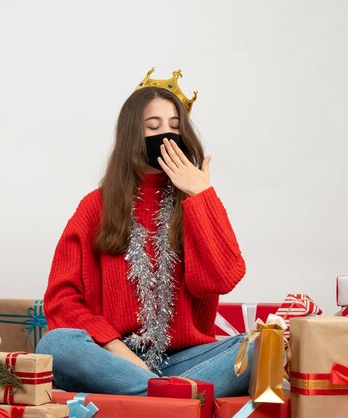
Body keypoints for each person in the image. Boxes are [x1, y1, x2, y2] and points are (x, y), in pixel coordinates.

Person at [36, 68, 251, 397]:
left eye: (174, 127)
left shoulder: (195, 200)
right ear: (131, 136)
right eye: (153, 127)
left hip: (184, 360)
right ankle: (171, 397)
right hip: (112, 359)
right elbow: (61, 300)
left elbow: (222, 278)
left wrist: (200, 195)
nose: (165, 135)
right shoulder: (95, 206)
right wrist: (123, 356)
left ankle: (157, 397)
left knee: (259, 346)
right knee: (56, 345)